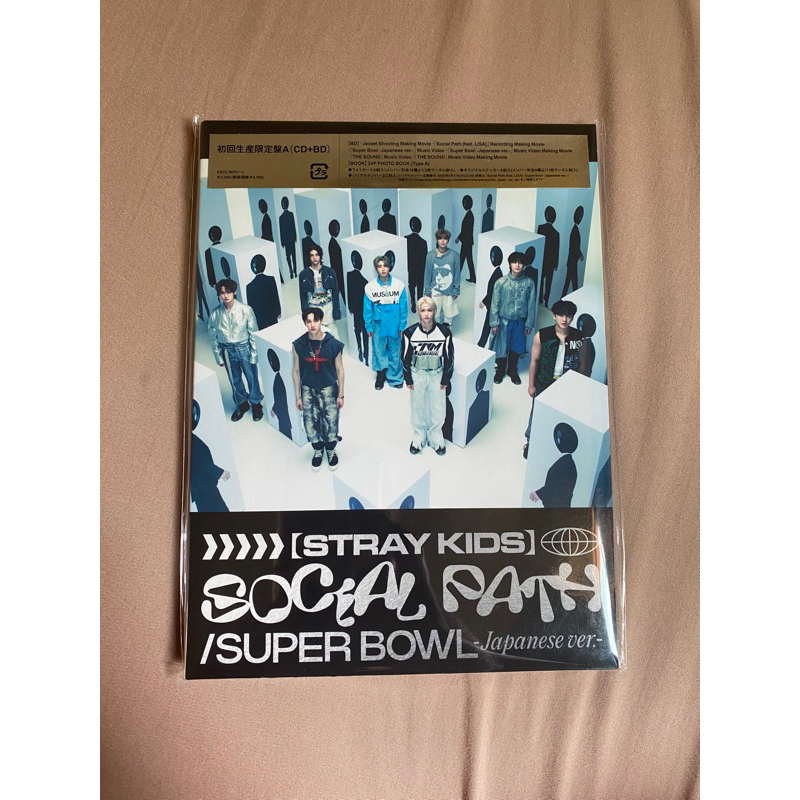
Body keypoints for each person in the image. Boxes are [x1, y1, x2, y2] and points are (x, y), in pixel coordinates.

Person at [523, 299, 589, 459]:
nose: (564, 319)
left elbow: (582, 365)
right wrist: (531, 385)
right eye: (560, 315)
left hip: (566, 385)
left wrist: (579, 388)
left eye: (568, 316)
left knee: (561, 414)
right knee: (537, 413)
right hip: (543, 381)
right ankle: (531, 441)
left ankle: (554, 445)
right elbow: (534, 361)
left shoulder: (579, 338)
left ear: (572, 318)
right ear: (554, 316)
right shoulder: (543, 335)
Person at [292, 307, 345, 471]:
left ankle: (330, 449)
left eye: (315, 320)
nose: (312, 325)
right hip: (308, 389)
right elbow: (296, 371)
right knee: (310, 422)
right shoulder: (299, 345)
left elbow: (340, 369)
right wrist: (298, 396)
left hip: (329, 388)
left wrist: (341, 394)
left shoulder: (333, 344)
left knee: (331, 421)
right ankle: (318, 449)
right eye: (308, 321)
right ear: (305, 323)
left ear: (321, 321)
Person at [401, 297, 454, 455]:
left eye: (429, 310)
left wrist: (445, 378)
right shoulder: (409, 333)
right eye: (423, 310)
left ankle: (436, 437)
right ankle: (419, 436)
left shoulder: (444, 332)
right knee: (417, 406)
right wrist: (408, 378)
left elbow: (449, 358)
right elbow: (404, 358)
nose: (426, 314)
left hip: (436, 374)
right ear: (418, 312)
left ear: (434, 311)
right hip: (417, 374)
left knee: (438, 407)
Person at [207, 279, 264, 422]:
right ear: (219, 295)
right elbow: (213, 336)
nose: (225, 296)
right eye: (222, 293)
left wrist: (254, 355)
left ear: (234, 292)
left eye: (228, 292)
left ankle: (256, 404)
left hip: (244, 348)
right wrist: (219, 356)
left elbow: (253, 333)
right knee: (235, 380)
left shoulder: (246, 310)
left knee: (251, 377)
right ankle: (242, 403)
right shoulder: (215, 314)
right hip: (227, 351)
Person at [489, 251, 537, 385]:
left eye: (520, 263)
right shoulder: (501, 282)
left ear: (524, 265)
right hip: (503, 320)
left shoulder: (529, 283)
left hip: (520, 321)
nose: (517, 265)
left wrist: (529, 323)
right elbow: (495, 304)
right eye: (514, 262)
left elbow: (531, 304)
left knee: (517, 346)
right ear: (509, 264)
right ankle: (500, 370)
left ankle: (512, 369)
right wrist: (494, 323)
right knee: (501, 346)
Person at [364, 253, 408, 390]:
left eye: (385, 266)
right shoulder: (370, 287)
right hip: (378, 324)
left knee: (395, 350)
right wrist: (368, 326)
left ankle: (395, 377)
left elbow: (403, 307)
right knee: (379, 350)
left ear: (390, 267)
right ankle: (381, 375)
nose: (383, 269)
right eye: (379, 266)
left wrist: (402, 325)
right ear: (376, 268)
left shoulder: (399, 285)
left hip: (394, 324)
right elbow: (367, 309)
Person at [298, 245, 342, 334]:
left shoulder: (330, 272)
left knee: (332, 332)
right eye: (312, 255)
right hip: (313, 307)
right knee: (316, 333)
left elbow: (335, 292)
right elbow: (303, 296)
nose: (314, 258)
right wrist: (305, 312)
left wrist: (336, 309)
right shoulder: (303, 274)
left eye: (317, 254)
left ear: (320, 256)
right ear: (309, 257)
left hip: (328, 306)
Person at [423, 229, 460, 326]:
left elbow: (457, 273)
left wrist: (456, 289)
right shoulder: (430, 256)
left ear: (448, 240)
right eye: (440, 238)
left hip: (449, 290)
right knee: (434, 315)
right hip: (435, 290)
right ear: (437, 240)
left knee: (449, 317)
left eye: (445, 238)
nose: (442, 241)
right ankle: (436, 332)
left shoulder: (455, 256)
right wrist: (427, 290)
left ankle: (447, 334)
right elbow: (427, 273)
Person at [246, 254, 281, 330]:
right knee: (275, 331)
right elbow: (275, 297)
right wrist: (278, 311)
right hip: (272, 313)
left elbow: (250, 305)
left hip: (260, 316)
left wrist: (252, 319)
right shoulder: (270, 279)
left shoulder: (250, 286)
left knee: (264, 333)